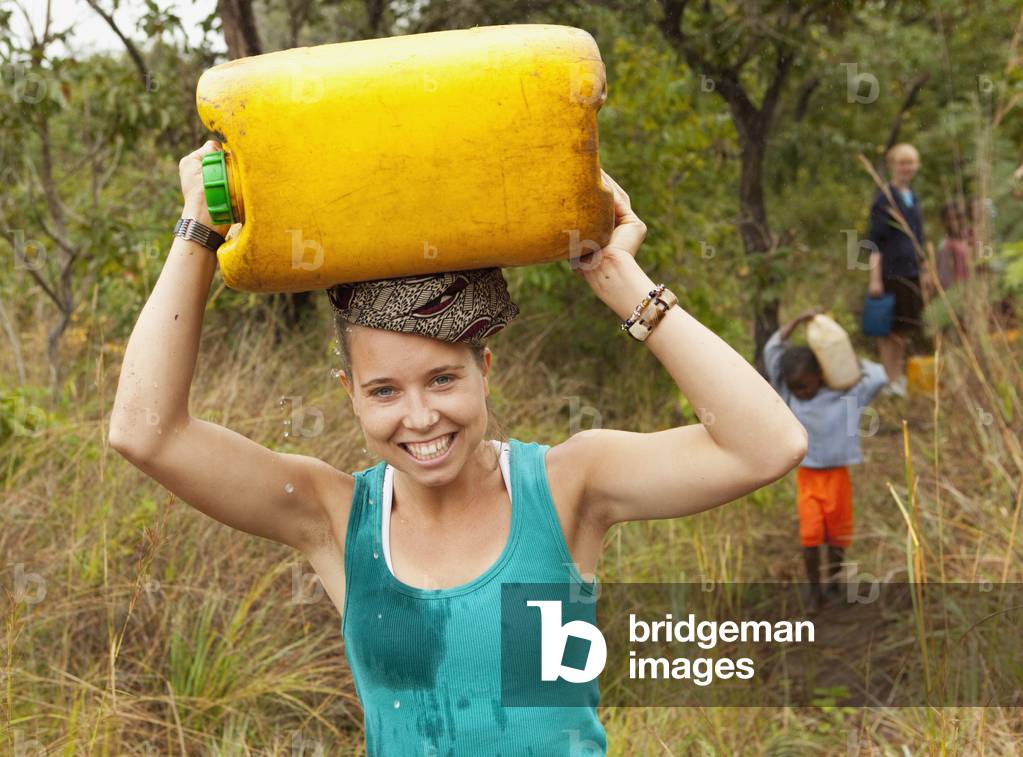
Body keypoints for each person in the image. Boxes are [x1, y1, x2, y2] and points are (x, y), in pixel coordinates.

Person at [108, 140, 808, 755]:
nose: (419, 417)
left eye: (443, 378)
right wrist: (198, 229)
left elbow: (767, 445)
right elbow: (146, 431)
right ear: (349, 392)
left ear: (485, 371)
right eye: (384, 391)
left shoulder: (568, 485)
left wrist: (618, 281)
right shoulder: (335, 516)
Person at [764, 309, 888, 614]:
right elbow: (771, 351)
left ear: (821, 374)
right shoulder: (789, 395)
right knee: (810, 537)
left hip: (838, 477)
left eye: (806, 385)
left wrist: (843, 362)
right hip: (807, 477)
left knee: (838, 535)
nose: (801, 393)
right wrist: (795, 320)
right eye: (795, 388)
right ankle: (814, 593)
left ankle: (833, 581)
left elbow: (880, 375)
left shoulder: (847, 396)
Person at [866, 142, 931, 397]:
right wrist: (874, 278)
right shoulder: (884, 198)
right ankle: (889, 378)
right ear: (892, 165)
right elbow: (875, 242)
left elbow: (919, 238)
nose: (906, 168)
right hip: (890, 272)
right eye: (901, 163)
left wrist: (925, 270)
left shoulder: (912, 197)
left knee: (903, 328)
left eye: (910, 163)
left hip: (911, 271)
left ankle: (897, 377)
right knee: (888, 329)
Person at [936, 202, 971, 291]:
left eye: (958, 217)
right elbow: (944, 278)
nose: (955, 222)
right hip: (959, 292)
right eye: (950, 219)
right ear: (944, 223)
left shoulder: (971, 237)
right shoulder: (945, 246)